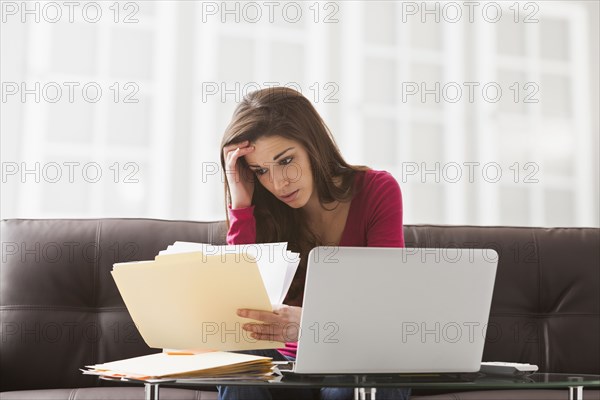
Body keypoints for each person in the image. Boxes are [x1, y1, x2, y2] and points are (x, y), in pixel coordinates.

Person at [218, 87, 410, 400]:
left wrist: (314, 324)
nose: (279, 183)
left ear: (313, 145)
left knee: (353, 378)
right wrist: (241, 206)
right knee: (240, 354)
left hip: (358, 355)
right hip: (289, 363)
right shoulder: (263, 209)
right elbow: (241, 309)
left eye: (286, 160)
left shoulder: (377, 190)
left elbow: (385, 308)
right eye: (261, 171)